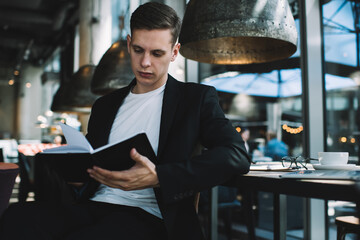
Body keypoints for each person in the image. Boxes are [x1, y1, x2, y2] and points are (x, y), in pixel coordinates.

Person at [0, 3, 250, 240]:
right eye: (139, 50)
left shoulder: (194, 99)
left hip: (151, 216)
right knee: (17, 217)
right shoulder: (105, 106)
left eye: (157, 53)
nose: (145, 63)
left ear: (174, 52)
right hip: (93, 206)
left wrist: (159, 176)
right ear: (129, 44)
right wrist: (79, 174)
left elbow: (236, 155)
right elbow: (90, 161)